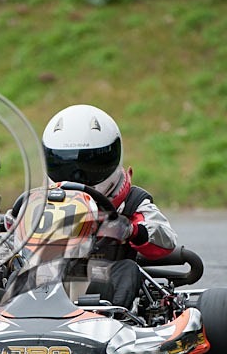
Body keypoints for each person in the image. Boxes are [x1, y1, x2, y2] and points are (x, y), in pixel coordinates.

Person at [40, 104, 177, 308]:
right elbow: (12, 231)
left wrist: (132, 231)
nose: (77, 176)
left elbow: (166, 241)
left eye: (90, 165)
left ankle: (114, 316)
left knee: (128, 269)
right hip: (45, 280)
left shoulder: (130, 202)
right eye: (64, 165)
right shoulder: (43, 200)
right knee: (0, 267)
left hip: (103, 282)